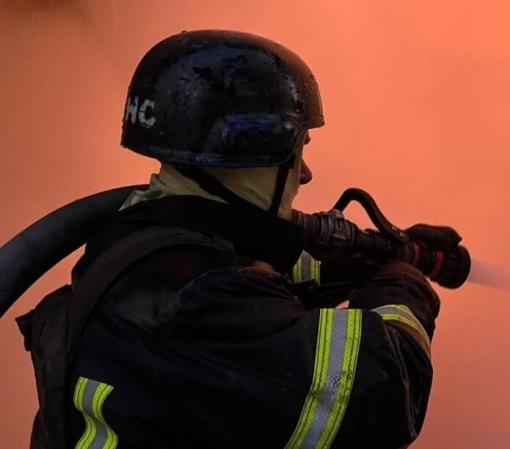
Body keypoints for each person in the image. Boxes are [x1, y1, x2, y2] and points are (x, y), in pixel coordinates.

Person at [44, 29, 441, 448]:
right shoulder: (202, 298)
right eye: (298, 150)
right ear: (253, 145)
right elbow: (384, 390)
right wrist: (404, 283)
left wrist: (360, 264)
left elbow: (256, 276)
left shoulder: (138, 238)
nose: (304, 174)